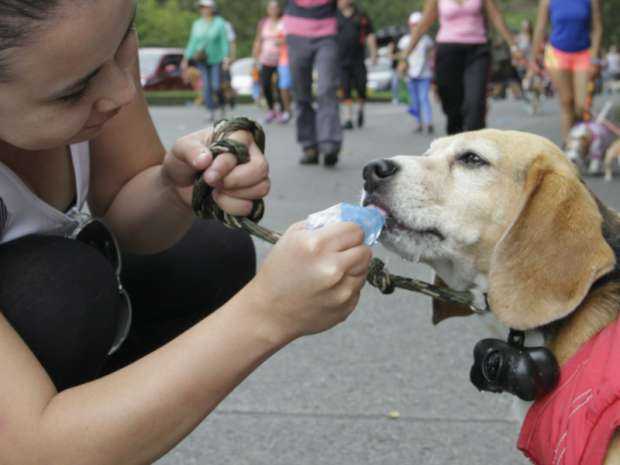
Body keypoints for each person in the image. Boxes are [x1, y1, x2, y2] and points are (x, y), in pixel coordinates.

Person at [0, 1, 372, 464]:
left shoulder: (83, 41)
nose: (121, 90)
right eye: (73, 91)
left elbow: (123, 213)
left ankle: (104, 431)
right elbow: (31, 451)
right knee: (60, 289)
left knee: (207, 248)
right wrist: (269, 313)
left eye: (123, 43)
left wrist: (172, 190)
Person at [403, 0, 520, 135]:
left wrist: (514, 46)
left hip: (477, 51)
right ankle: (455, 142)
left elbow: (495, 16)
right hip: (447, 52)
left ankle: (474, 146)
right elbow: (424, 23)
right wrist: (406, 54)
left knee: (475, 105)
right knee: (452, 107)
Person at [530, 0, 603, 156]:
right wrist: (534, 57)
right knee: (567, 102)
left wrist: (595, 58)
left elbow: (597, 28)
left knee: (582, 106)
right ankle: (569, 149)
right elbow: (540, 28)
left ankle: (581, 143)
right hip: (557, 54)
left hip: (583, 54)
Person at [284, 0, 342, 166]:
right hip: (296, 33)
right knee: (301, 93)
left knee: (326, 89)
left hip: (327, 34)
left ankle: (330, 142)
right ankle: (309, 145)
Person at [181, 0, 231, 122]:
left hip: (216, 59)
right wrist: (186, 58)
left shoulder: (219, 23)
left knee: (216, 85)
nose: (204, 10)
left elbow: (224, 41)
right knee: (207, 86)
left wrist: (226, 57)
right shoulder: (197, 24)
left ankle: (222, 106)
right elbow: (192, 42)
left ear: (212, 8)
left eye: (206, 7)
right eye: (201, 7)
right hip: (202, 59)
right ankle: (210, 110)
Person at [336, 0, 378, 130]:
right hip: (341, 60)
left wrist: (373, 54)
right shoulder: (334, 15)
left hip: (358, 60)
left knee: (361, 86)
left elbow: (370, 35)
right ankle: (348, 118)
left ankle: (360, 110)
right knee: (345, 88)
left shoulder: (361, 15)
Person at [398, 12, 434, 134]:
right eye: (413, 24)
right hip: (410, 75)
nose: (415, 27)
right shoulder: (405, 41)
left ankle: (428, 123)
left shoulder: (427, 40)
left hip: (424, 74)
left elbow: (430, 55)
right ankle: (418, 123)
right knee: (414, 100)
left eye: (418, 24)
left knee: (424, 98)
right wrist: (402, 68)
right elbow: (402, 57)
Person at [252, 1, 285, 124]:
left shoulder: (284, 22)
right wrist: (255, 53)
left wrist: (282, 42)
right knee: (265, 84)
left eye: (275, 8)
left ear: (278, 9)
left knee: (280, 85)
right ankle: (271, 110)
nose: (273, 10)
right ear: (267, 10)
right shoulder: (263, 22)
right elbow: (258, 39)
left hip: (281, 59)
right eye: (270, 8)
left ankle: (282, 110)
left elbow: (289, 38)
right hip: (265, 59)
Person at [222, 19, 237, 110]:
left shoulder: (226, 25)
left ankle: (231, 96)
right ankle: (223, 99)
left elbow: (232, 42)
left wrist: (232, 56)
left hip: (225, 57)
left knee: (226, 81)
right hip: (213, 58)